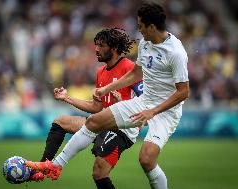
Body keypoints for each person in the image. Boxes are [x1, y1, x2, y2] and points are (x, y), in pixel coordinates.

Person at [27, 3, 189, 189]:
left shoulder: (176, 52)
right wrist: (106, 89)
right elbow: (136, 74)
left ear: (152, 27)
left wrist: (153, 111)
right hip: (144, 102)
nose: (138, 29)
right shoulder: (145, 43)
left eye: (141, 25)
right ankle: (55, 166)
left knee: (146, 160)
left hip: (166, 111)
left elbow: (183, 92)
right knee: (92, 122)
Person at [28, 28, 143, 189]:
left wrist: (123, 101)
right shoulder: (101, 72)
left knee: (98, 172)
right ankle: (43, 167)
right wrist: (66, 98)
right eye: (96, 45)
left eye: (101, 46)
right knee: (60, 122)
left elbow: (146, 100)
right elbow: (97, 107)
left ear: (114, 47)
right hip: (102, 123)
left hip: (123, 130)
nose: (96, 49)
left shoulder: (129, 68)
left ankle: (54, 166)